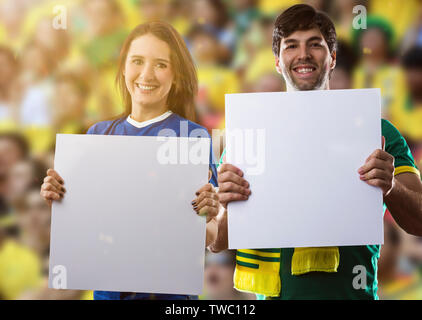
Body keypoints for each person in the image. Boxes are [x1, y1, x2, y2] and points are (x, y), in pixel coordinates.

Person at [210, 4, 422, 300]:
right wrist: (226, 202)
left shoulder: (379, 130)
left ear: (333, 57)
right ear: (276, 61)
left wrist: (391, 187)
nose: (303, 54)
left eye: (315, 45)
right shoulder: (248, 134)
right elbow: (218, 241)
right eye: (291, 46)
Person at [40, 21, 220, 300]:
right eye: (137, 61)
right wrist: (60, 201)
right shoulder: (98, 134)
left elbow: (211, 235)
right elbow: (85, 229)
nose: (146, 74)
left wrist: (205, 217)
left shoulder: (191, 137)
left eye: (160, 64)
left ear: (176, 75)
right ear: (123, 66)